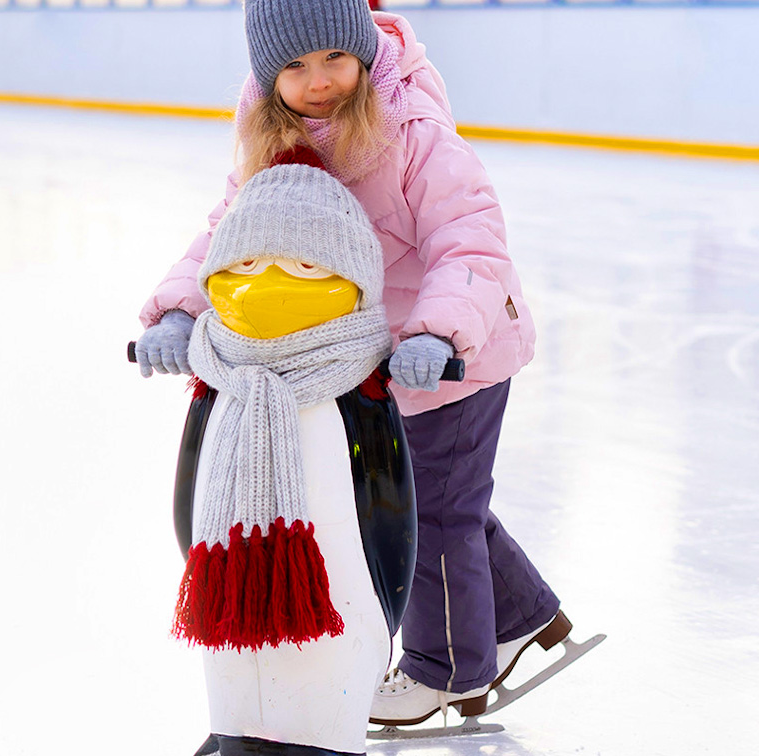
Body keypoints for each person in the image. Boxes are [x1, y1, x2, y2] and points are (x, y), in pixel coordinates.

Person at [136, 0, 571, 728]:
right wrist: (179, 308)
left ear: (363, 50)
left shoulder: (413, 133)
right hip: (378, 365)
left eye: (335, 57)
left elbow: (470, 239)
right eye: (295, 66)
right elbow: (229, 235)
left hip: (456, 358)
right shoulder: (272, 142)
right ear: (267, 76)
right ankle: (523, 615)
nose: (319, 81)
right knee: (443, 499)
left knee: (433, 512)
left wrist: (438, 334)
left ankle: (449, 672)